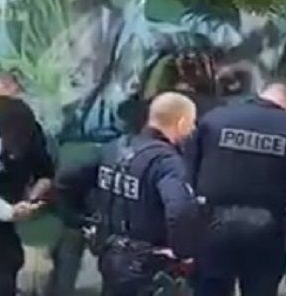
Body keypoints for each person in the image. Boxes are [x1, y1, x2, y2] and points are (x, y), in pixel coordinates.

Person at [56, 92, 204, 295]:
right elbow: (180, 210)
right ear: (181, 122)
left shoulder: (113, 148)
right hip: (150, 266)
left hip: (110, 255)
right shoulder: (166, 162)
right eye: (191, 123)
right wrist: (184, 253)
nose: (192, 130)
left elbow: (65, 180)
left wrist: (80, 219)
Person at [187, 78, 286, 296]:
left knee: (210, 288)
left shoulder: (214, 119)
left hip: (212, 224)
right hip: (266, 229)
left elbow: (190, 170)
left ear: (261, 91)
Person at [0, 95, 54, 296]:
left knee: (1, 274)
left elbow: (45, 174)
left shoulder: (25, 132)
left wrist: (30, 201)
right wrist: (11, 211)